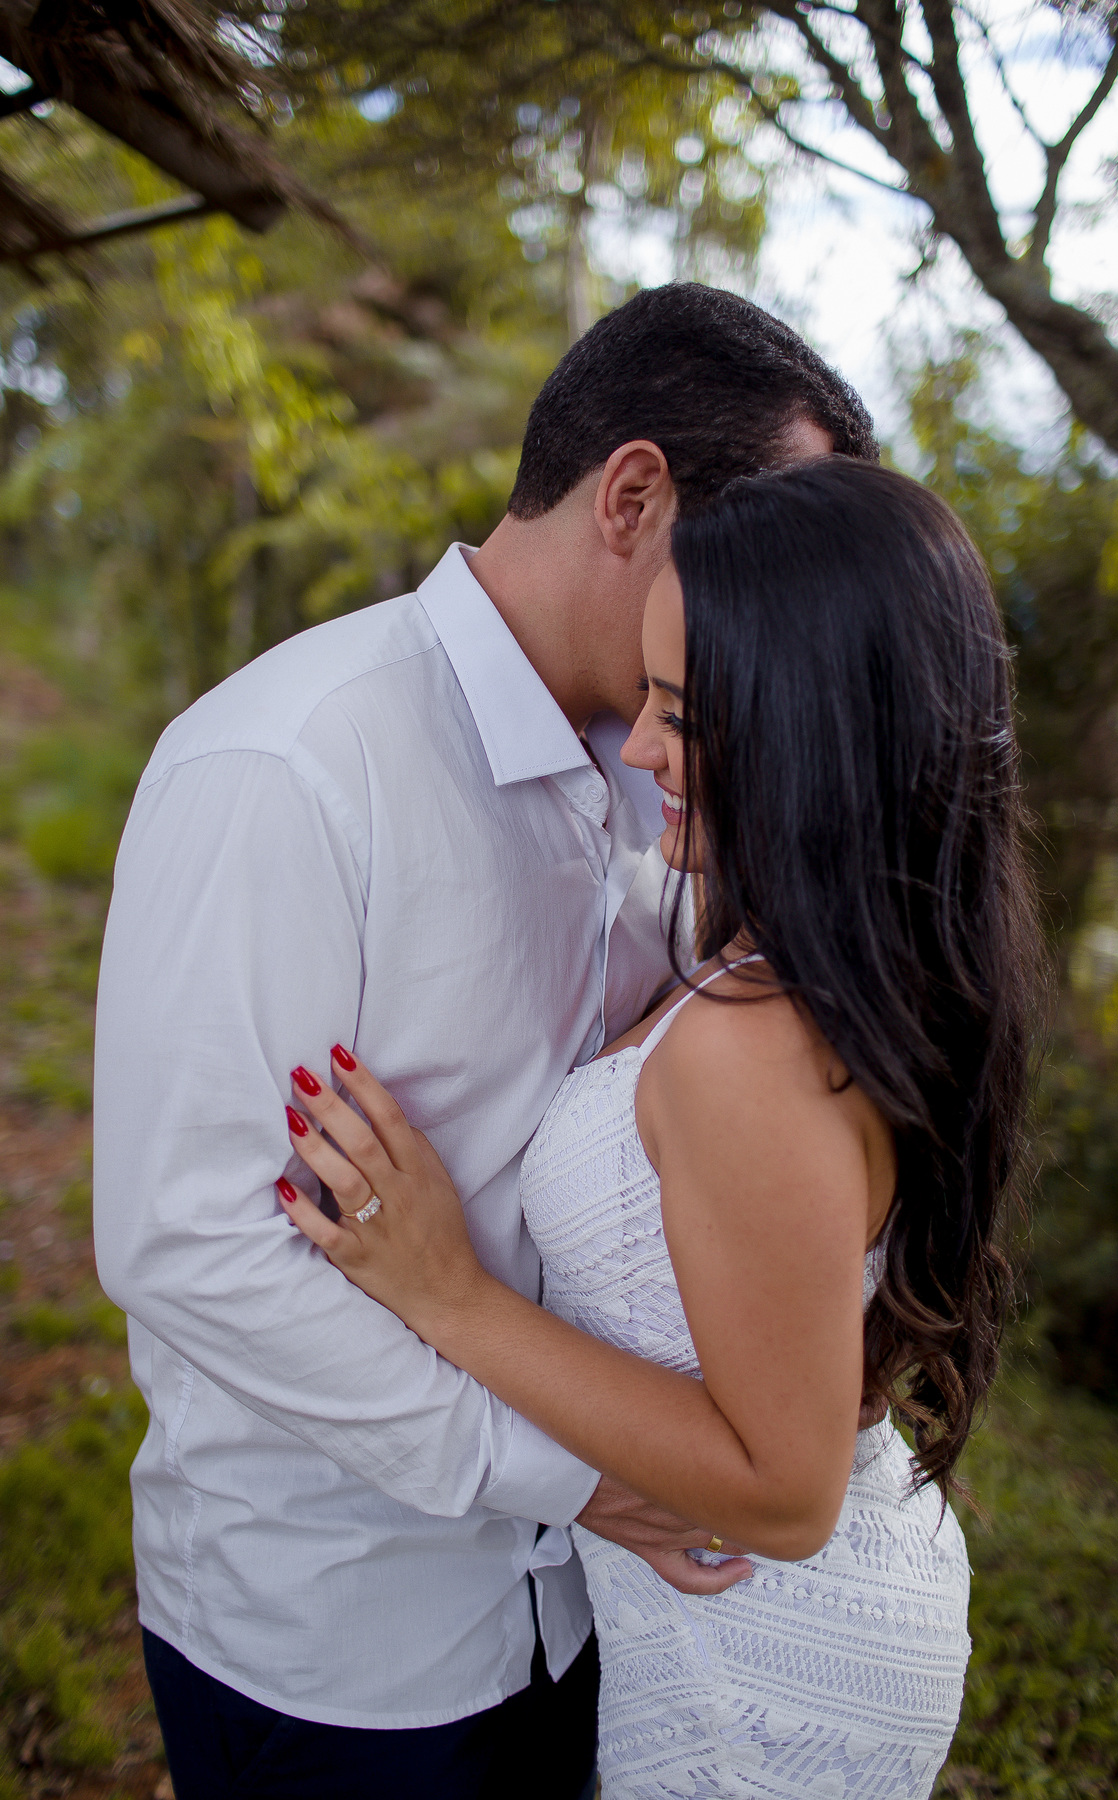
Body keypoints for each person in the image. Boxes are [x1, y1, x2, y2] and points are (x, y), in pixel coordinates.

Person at [93, 284, 877, 1800]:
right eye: (750, 553)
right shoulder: (292, 766)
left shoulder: (689, 782)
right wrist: (579, 1481)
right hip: (342, 1648)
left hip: (610, 1629)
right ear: (634, 495)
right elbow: (192, 1243)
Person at [270, 458, 1044, 1799]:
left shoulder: (754, 1049)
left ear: (807, 732)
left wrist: (453, 1296)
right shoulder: (803, 968)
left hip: (762, 1665)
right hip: (748, 1628)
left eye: (682, 712)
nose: (638, 747)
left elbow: (786, 1495)